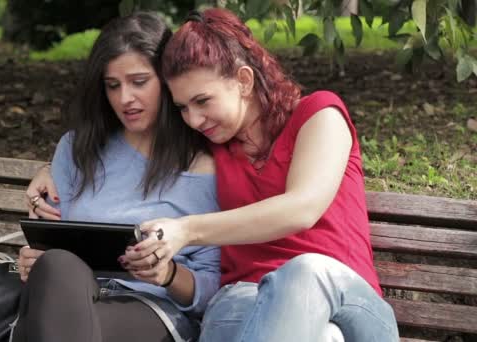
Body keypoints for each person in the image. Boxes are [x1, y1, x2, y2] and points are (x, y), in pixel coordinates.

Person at [120, 8, 399, 342]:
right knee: (325, 338)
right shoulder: (211, 146)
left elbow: (301, 209)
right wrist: (52, 172)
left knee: (304, 272)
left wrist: (188, 230)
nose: (193, 119)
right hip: (245, 298)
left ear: (243, 80)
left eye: (202, 101)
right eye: (182, 107)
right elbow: (127, 138)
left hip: (348, 297)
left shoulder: (319, 116)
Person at [13, 12, 220, 342]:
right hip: (67, 299)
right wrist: (34, 262)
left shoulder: (205, 169)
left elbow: (213, 288)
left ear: (167, 81)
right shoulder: (77, 149)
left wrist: (166, 274)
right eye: (113, 86)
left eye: (139, 82)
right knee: (57, 268)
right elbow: (55, 243)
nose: (125, 98)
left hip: (151, 310)